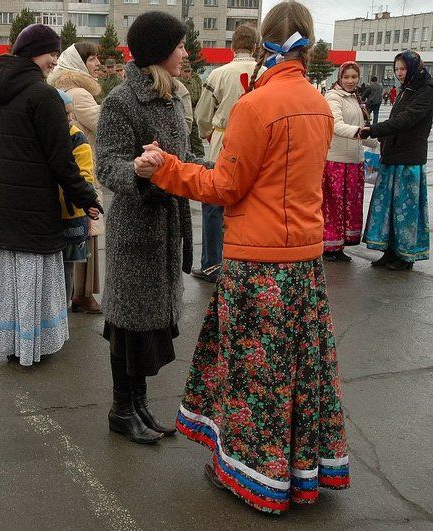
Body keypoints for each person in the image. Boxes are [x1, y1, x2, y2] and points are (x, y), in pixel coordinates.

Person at [134, 1, 350, 514]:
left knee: (257, 376)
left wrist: (165, 168)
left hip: (259, 263)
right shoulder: (318, 104)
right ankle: (301, 474)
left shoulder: (257, 107)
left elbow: (225, 186)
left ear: (264, 46)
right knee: (301, 369)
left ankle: (257, 478)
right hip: (304, 261)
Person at [0, 24, 101, 366]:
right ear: (33, 52)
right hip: (36, 207)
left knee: (11, 279)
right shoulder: (44, 97)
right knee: (35, 279)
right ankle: (34, 348)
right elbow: (61, 161)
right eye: (51, 53)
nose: (55, 60)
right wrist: (87, 197)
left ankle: (13, 345)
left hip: (3, 207)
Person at [96, 11, 204, 445]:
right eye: (178, 45)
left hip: (165, 228)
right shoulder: (121, 100)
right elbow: (106, 164)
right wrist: (137, 170)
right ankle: (122, 409)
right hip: (136, 229)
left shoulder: (175, 97)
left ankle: (138, 404)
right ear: (160, 51)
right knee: (128, 324)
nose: (184, 51)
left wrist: (221, 171)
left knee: (149, 324)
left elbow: (186, 158)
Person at [191, 24, 260, 283]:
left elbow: (203, 115)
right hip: (257, 144)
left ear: (233, 46)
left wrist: (209, 132)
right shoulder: (266, 73)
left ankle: (212, 264)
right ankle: (248, 263)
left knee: (214, 203)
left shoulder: (219, 74)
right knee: (252, 202)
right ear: (256, 46)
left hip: (225, 140)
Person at [360, 50, 433, 271]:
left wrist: (373, 130)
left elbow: (407, 119)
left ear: (414, 68)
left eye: (403, 69)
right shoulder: (407, 89)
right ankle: (389, 251)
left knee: (405, 210)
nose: (400, 74)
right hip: (392, 155)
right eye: (397, 69)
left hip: (409, 159)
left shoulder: (427, 90)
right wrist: (381, 137)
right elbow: (395, 120)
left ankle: (405, 256)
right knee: (389, 208)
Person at [48, 42, 105, 314]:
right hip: (83, 168)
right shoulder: (80, 93)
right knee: (86, 232)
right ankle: (81, 294)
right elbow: (103, 123)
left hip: (72, 170)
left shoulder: (64, 90)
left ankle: (78, 293)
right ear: (79, 64)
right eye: (92, 59)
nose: (96, 64)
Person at [322, 61, 378, 262]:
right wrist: (360, 133)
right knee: (334, 206)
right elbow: (335, 124)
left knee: (348, 205)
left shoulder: (355, 98)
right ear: (339, 77)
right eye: (346, 77)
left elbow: (363, 128)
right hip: (336, 160)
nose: (350, 81)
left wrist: (378, 142)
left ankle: (339, 246)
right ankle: (329, 246)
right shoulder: (333, 97)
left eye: (354, 77)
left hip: (354, 161)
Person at [56, 89, 96, 305]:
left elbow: (85, 174)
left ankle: (65, 307)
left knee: (67, 265)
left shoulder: (76, 137)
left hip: (72, 212)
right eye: (65, 114)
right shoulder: (45, 134)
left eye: (71, 113)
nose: (70, 118)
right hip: (49, 212)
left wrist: (86, 198)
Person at [178, 58, 205, 159]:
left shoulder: (195, 80)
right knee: (185, 140)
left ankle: (200, 158)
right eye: (185, 71)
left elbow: (200, 95)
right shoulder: (177, 83)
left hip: (194, 112)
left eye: (189, 71)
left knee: (196, 140)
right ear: (181, 72)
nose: (188, 74)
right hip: (181, 113)